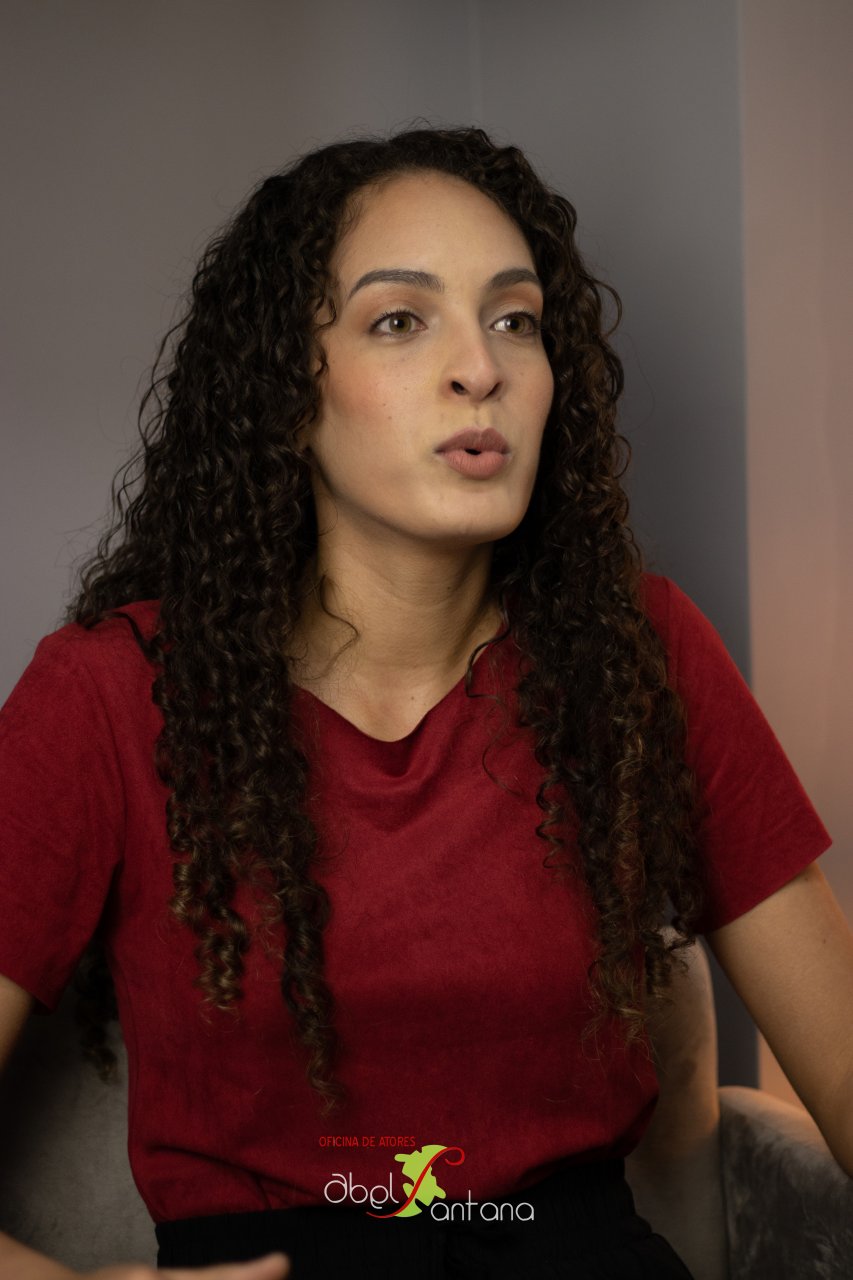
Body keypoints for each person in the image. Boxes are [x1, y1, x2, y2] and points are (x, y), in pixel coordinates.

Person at [0, 125, 850, 1280]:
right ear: (286, 393)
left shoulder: (638, 651)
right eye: (399, 320)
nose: (480, 368)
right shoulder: (107, 694)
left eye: (515, 320)